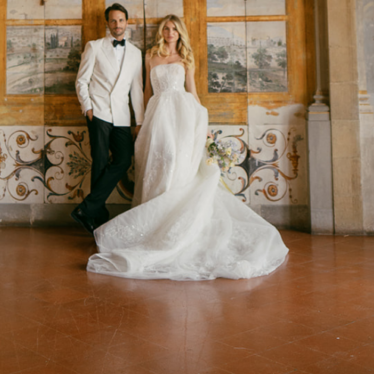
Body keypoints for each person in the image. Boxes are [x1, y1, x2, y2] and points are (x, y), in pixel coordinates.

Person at [86, 15, 289, 280]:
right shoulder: (150, 57)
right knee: (159, 163)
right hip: (158, 115)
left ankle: (177, 220)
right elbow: (146, 91)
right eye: (166, 29)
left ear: (180, 33)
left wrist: (204, 127)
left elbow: (192, 92)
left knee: (176, 161)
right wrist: (141, 122)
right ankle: (157, 222)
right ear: (162, 32)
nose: (170, 33)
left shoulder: (185, 59)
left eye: (174, 29)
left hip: (183, 115)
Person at [72, 3, 144, 234]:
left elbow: (137, 90)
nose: (117, 25)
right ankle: (97, 216)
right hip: (99, 112)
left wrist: (139, 121)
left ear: (126, 22)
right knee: (100, 162)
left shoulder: (135, 53)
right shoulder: (94, 47)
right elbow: (81, 80)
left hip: (122, 116)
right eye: (113, 21)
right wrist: (88, 108)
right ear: (107, 23)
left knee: (123, 160)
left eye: (121, 20)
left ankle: (87, 209)